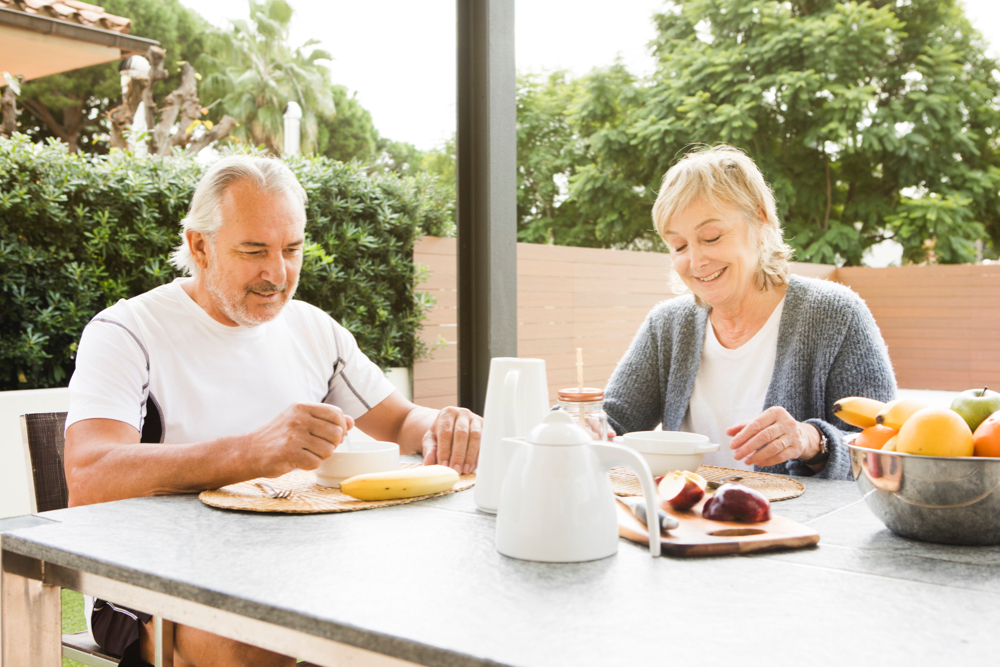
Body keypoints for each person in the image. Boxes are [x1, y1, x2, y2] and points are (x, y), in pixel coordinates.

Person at [64, 155, 482, 667]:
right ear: (200, 245)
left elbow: (400, 422)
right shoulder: (127, 332)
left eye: (291, 249)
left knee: (435, 603)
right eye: (254, 250)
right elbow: (88, 476)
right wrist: (248, 452)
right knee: (261, 642)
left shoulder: (314, 329)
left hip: (293, 562)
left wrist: (447, 424)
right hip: (148, 579)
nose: (277, 274)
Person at [604, 145, 895, 480]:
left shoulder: (836, 315)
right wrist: (575, 426)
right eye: (680, 246)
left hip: (799, 528)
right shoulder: (666, 325)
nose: (696, 261)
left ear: (760, 221)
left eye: (711, 237)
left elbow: (883, 448)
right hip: (688, 526)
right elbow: (611, 422)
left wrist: (813, 442)